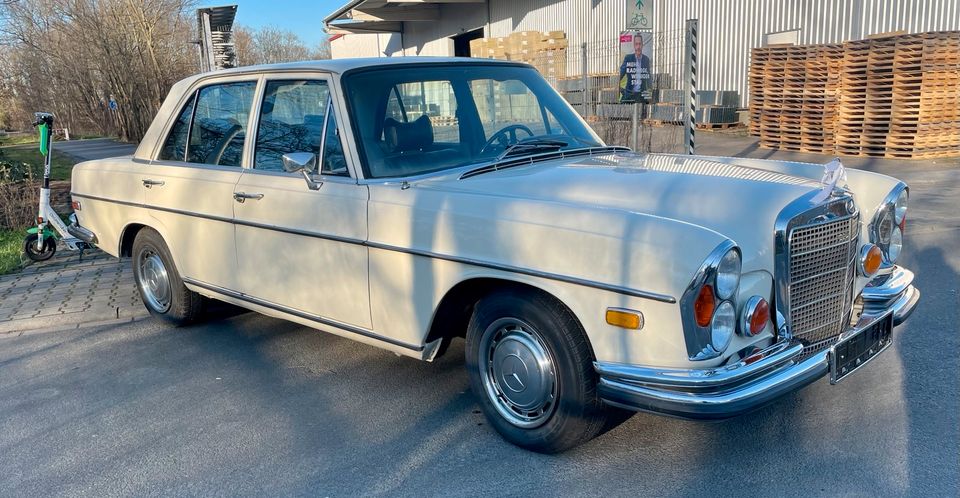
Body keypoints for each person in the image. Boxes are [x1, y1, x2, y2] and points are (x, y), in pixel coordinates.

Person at [619, 33, 651, 103]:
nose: (638, 47)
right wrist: (622, 90)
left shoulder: (646, 59)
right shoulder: (628, 58)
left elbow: (649, 79)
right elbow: (620, 75)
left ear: (642, 45)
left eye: (640, 44)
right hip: (629, 93)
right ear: (634, 45)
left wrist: (649, 95)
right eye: (636, 44)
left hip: (641, 95)